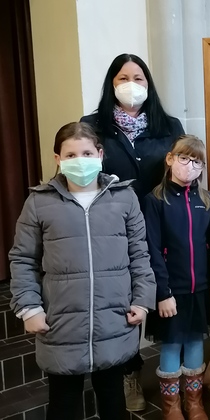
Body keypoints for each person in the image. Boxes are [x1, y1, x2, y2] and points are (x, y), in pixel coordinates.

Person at [9, 122, 156, 420]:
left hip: (114, 319)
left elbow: (140, 254)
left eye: (87, 153)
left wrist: (142, 300)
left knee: (113, 400)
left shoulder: (124, 198)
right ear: (58, 159)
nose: (80, 160)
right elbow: (23, 259)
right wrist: (29, 308)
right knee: (63, 403)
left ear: (100, 154)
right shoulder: (39, 202)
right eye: (71, 155)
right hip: (61, 322)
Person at [80, 53, 185, 410]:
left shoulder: (169, 125)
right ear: (111, 84)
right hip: (112, 226)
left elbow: (182, 171)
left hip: (160, 223)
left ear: (148, 84)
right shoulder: (92, 126)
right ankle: (129, 371)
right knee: (122, 299)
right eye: (123, 78)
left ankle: (176, 372)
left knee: (164, 292)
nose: (131, 85)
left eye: (138, 78)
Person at [144, 135, 210, 420]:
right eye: (184, 158)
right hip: (170, 291)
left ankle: (194, 402)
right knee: (173, 343)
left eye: (197, 162)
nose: (190, 166)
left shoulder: (207, 200)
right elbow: (151, 249)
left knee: (196, 342)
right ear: (170, 159)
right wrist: (162, 293)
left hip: (199, 288)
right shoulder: (155, 200)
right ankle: (171, 406)